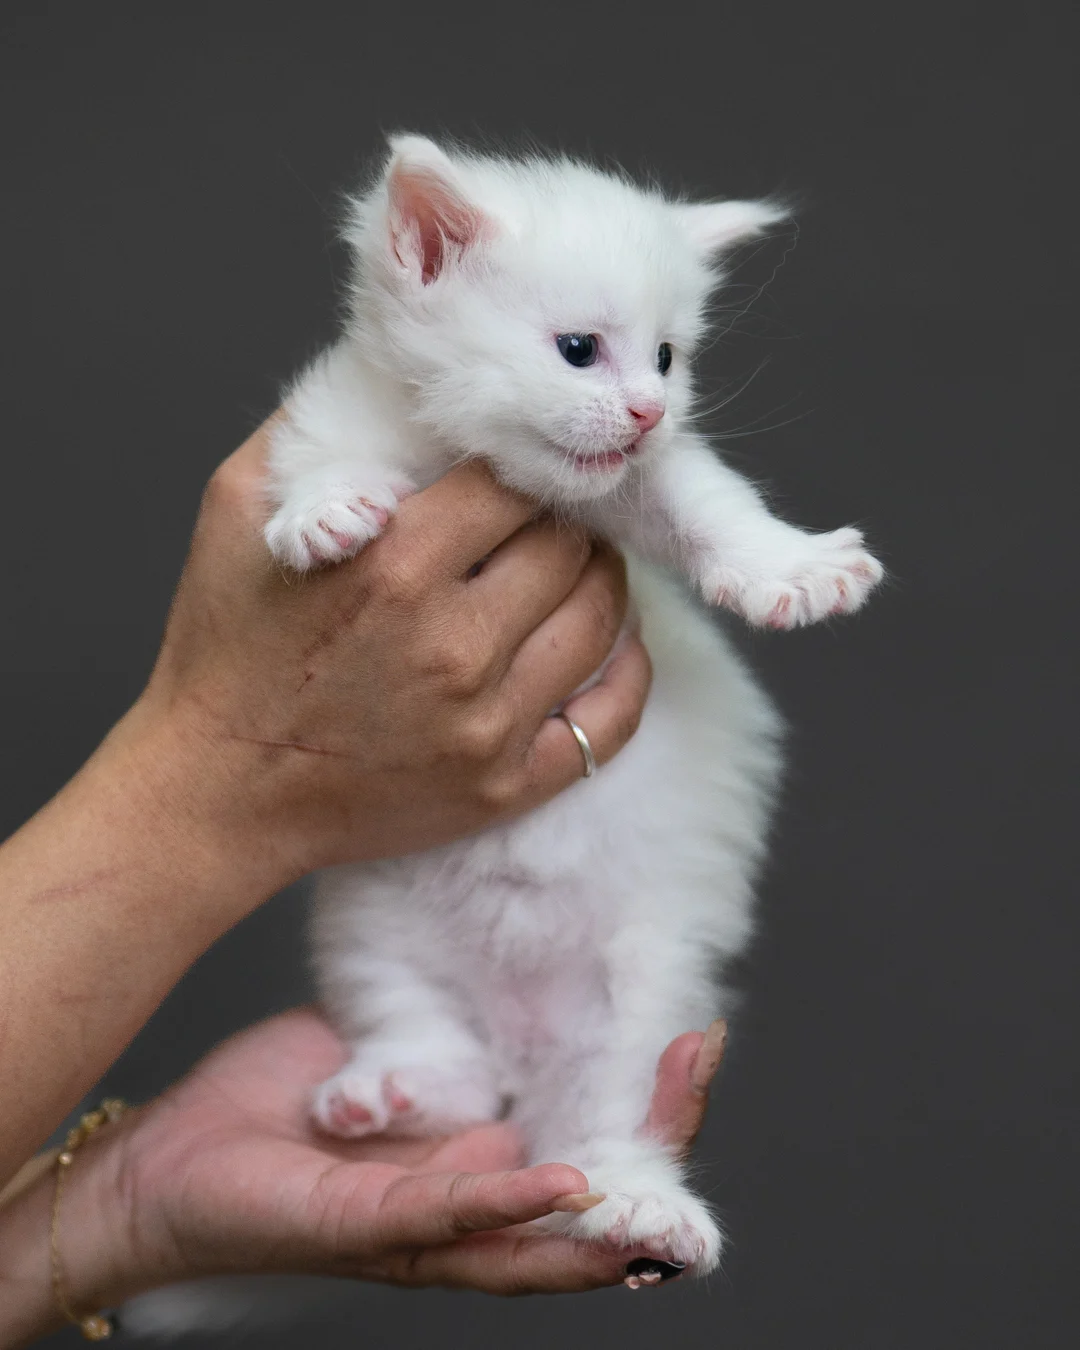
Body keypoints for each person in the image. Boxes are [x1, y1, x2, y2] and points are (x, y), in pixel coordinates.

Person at [0, 421, 723, 1345]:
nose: (642, 403)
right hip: (462, 866)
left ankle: (608, 1152)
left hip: (607, 844)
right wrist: (218, 760)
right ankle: (456, 1061)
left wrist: (124, 1208)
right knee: (393, 921)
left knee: (629, 988)